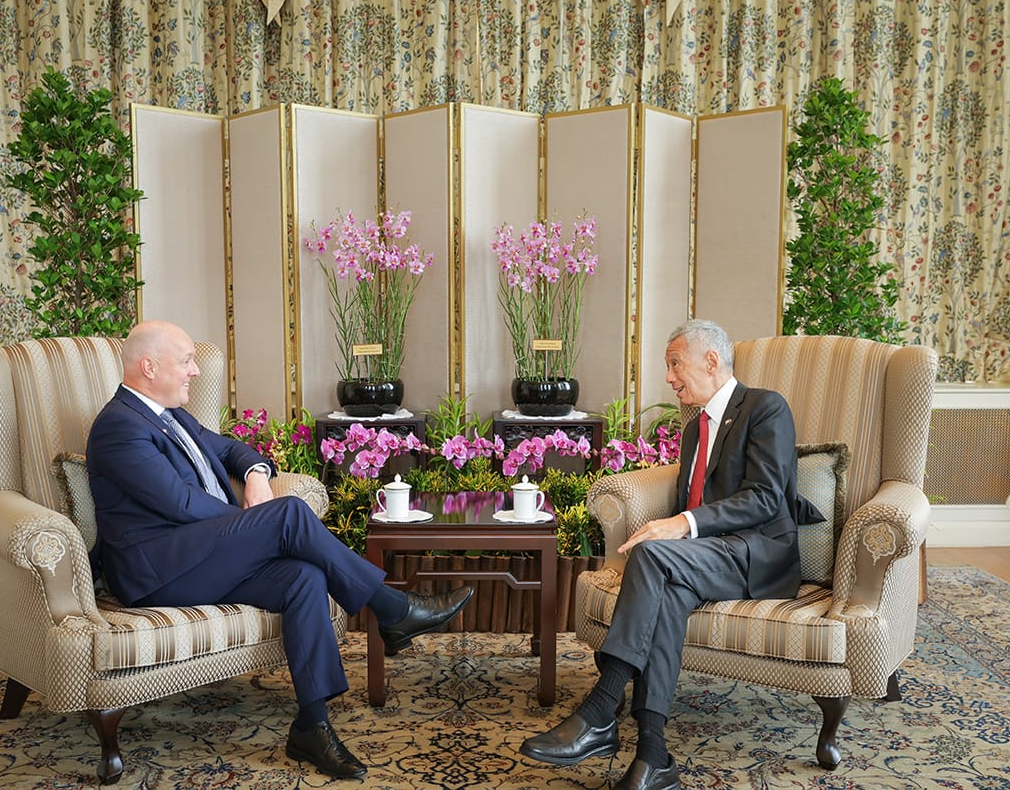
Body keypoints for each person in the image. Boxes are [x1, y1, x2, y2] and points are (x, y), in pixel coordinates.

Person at [86, 320, 472, 781]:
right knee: (286, 515)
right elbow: (181, 504)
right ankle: (392, 608)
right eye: (186, 361)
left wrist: (253, 475)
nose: (195, 371)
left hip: (201, 558)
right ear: (149, 367)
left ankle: (312, 724)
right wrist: (257, 527)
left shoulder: (170, 415)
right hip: (157, 571)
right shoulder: (119, 427)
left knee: (303, 579)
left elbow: (232, 449)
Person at [519, 319, 822, 790]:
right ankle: (653, 753)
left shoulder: (765, 409)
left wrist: (681, 524)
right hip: (702, 558)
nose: (670, 377)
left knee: (655, 553)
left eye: (674, 363)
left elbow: (765, 497)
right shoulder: (693, 430)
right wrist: (683, 532)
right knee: (667, 595)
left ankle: (600, 711)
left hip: (758, 553)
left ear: (712, 361)